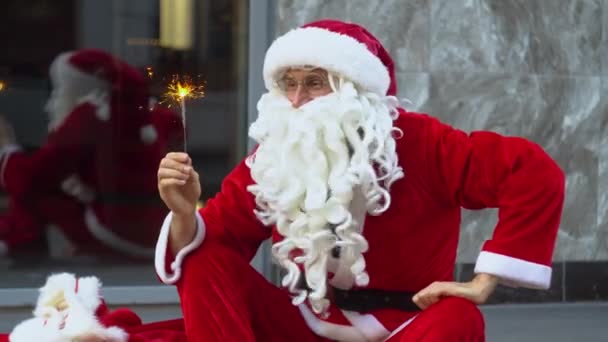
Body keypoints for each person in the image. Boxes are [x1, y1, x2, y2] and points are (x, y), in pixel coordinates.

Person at [1, 19, 565, 342]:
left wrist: (485, 280)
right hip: (307, 323)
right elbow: (215, 243)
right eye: (288, 84)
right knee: (203, 254)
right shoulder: (278, 152)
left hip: (404, 327)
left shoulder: (421, 141)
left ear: (354, 89)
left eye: (314, 83)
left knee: (460, 320)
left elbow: (532, 171)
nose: (297, 101)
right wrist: (182, 215)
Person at [0, 49, 183, 259]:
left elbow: (33, 177)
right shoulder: (145, 111)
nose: (51, 103)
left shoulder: (91, 115)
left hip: (116, 231)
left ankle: (18, 241)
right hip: (158, 230)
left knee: (33, 189)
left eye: (60, 90)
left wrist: (7, 147)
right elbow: (177, 129)